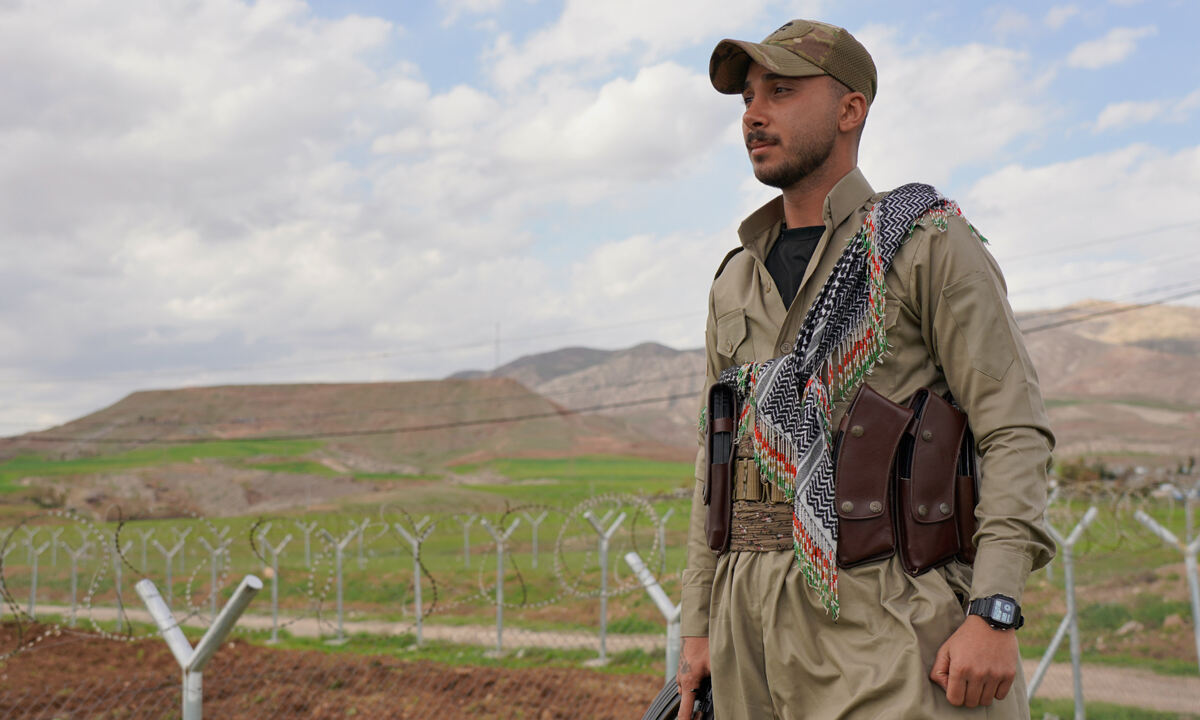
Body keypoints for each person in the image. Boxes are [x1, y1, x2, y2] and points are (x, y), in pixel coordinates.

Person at [677, 19, 1055, 719]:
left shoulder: (926, 245)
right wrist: (697, 622)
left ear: (851, 109)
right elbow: (716, 460)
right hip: (747, 624)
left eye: (781, 92)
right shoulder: (734, 281)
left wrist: (995, 609)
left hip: (886, 613)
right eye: (747, 99)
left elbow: (1014, 430)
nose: (755, 115)